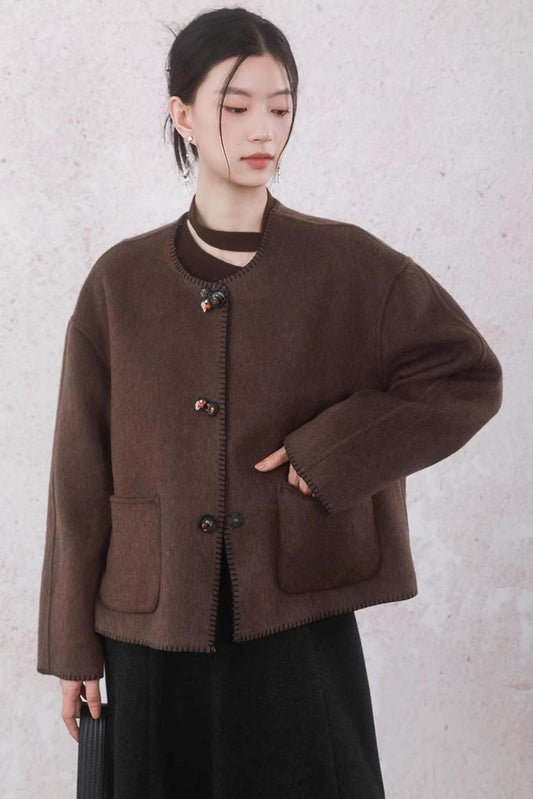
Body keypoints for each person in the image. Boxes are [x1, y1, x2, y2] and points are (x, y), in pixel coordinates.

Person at [36, 7, 503, 798]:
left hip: (297, 621)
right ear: (183, 115)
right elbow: (78, 474)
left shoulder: (347, 264)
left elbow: (463, 374)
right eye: (236, 106)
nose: (263, 129)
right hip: (149, 627)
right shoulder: (119, 282)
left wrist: (334, 451)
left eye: (280, 107)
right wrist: (71, 644)